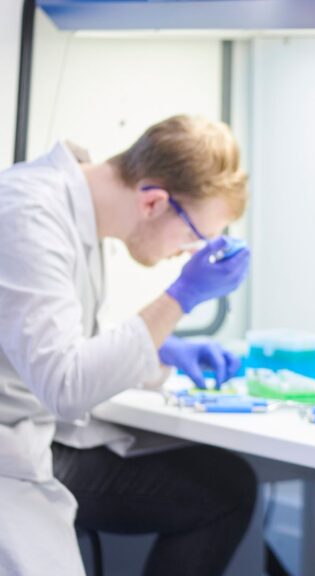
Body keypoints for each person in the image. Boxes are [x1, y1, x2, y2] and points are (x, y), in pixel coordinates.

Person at [0, 115, 256, 575]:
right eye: (194, 238)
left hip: (35, 428)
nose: (185, 253)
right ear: (155, 202)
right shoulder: (29, 216)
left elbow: (55, 337)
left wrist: (161, 351)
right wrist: (181, 297)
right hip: (11, 449)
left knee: (227, 485)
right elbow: (65, 385)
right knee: (224, 492)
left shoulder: (74, 211)